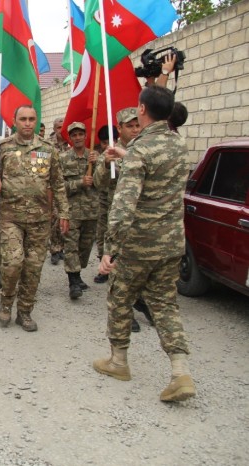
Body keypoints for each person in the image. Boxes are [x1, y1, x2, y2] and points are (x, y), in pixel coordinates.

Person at [94, 85, 196, 402]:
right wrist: (128, 157)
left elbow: (124, 206)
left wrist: (110, 248)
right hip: (172, 241)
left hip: (140, 243)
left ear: (141, 109)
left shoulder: (141, 150)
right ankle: (180, 372)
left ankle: (118, 361)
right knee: (164, 303)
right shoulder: (179, 145)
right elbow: (157, 175)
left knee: (120, 297)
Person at [0, 106, 69, 331]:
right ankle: (5, 303)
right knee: (13, 263)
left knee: (33, 267)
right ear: (14, 121)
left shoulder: (47, 148)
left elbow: (58, 183)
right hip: (9, 216)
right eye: (23, 119)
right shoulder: (2, 148)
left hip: (40, 219)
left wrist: (63, 212)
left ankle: (25, 311)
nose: (27, 123)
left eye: (32, 119)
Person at [93, 108, 148, 331]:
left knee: (142, 267)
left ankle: (141, 301)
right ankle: (126, 312)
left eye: (137, 125)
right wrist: (106, 164)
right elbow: (98, 183)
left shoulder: (146, 149)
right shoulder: (113, 152)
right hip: (119, 220)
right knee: (118, 267)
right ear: (120, 129)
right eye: (130, 126)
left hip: (144, 219)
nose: (135, 130)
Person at [60, 122, 99, 300]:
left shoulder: (94, 157)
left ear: (85, 136)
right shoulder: (63, 158)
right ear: (70, 138)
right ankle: (73, 282)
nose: (77, 138)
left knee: (85, 246)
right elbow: (59, 186)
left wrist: (98, 165)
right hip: (71, 210)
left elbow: (104, 182)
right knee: (71, 246)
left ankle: (78, 273)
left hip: (91, 209)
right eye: (74, 135)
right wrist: (79, 183)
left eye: (80, 134)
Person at [92, 125, 118, 284]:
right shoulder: (105, 157)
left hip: (122, 207)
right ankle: (104, 267)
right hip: (105, 205)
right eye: (104, 142)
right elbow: (98, 182)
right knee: (103, 236)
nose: (108, 144)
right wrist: (107, 165)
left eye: (112, 141)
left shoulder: (130, 153)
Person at [48, 117, 68, 265]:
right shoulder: (49, 145)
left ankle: (63, 246)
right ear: (54, 129)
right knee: (55, 219)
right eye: (59, 127)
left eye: (64, 126)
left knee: (66, 218)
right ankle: (55, 249)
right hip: (54, 186)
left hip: (70, 185)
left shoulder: (71, 143)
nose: (62, 130)